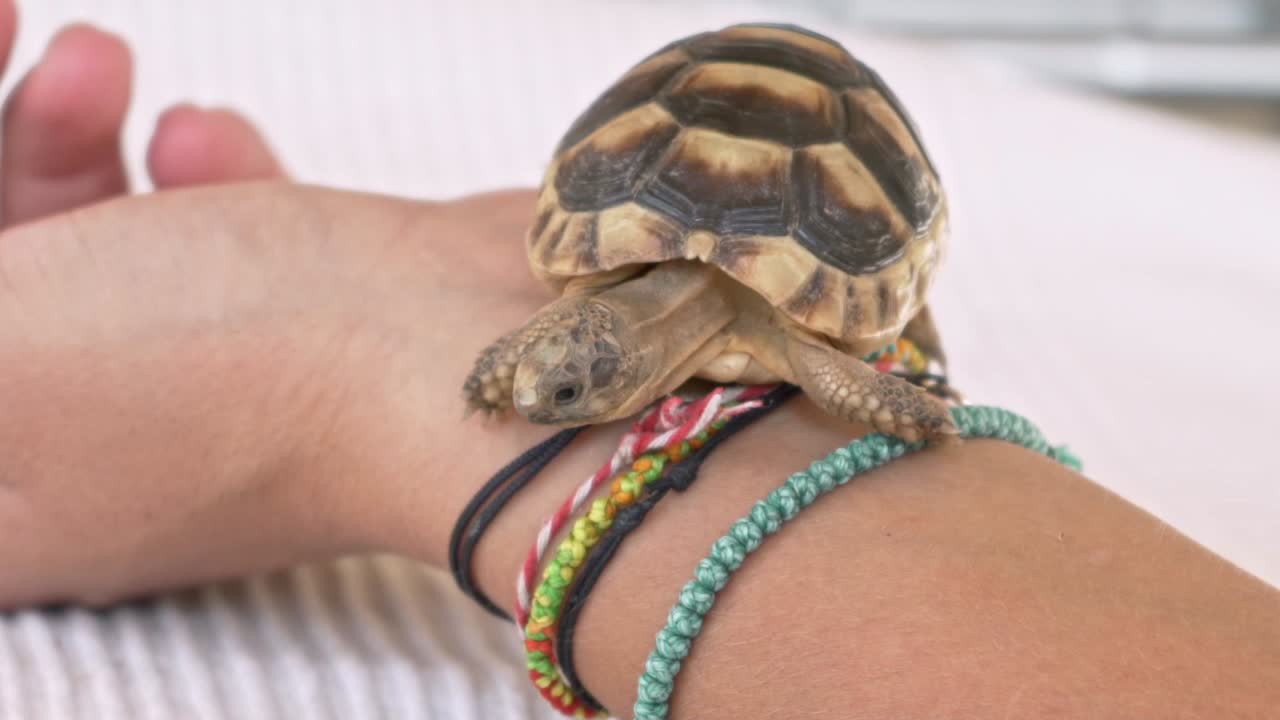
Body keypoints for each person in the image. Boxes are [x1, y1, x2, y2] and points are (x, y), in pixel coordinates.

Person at [1, 6, 1275, 717]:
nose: (549, 401)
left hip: (795, 300)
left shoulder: (785, 335)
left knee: (846, 371)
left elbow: (841, 378)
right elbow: (545, 344)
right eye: (565, 392)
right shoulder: (578, 318)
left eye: (567, 392)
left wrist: (334, 354)